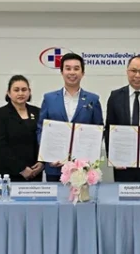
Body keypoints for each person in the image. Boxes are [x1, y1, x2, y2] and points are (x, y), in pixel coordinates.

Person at [37, 53, 103, 182]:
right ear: (61, 72)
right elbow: (41, 129)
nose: (72, 72)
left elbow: (99, 130)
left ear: (82, 73)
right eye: (68, 68)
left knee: (82, 196)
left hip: (83, 168)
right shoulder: (49, 99)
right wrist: (48, 155)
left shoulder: (93, 100)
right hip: (55, 166)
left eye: (76, 68)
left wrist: (88, 157)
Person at [0, 75, 44, 181]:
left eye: (24, 90)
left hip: (34, 172)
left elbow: (44, 140)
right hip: (8, 173)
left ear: (29, 92)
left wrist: (42, 162)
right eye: (16, 90)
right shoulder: (0, 114)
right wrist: (21, 169)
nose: (20, 93)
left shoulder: (38, 112)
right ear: (8, 93)